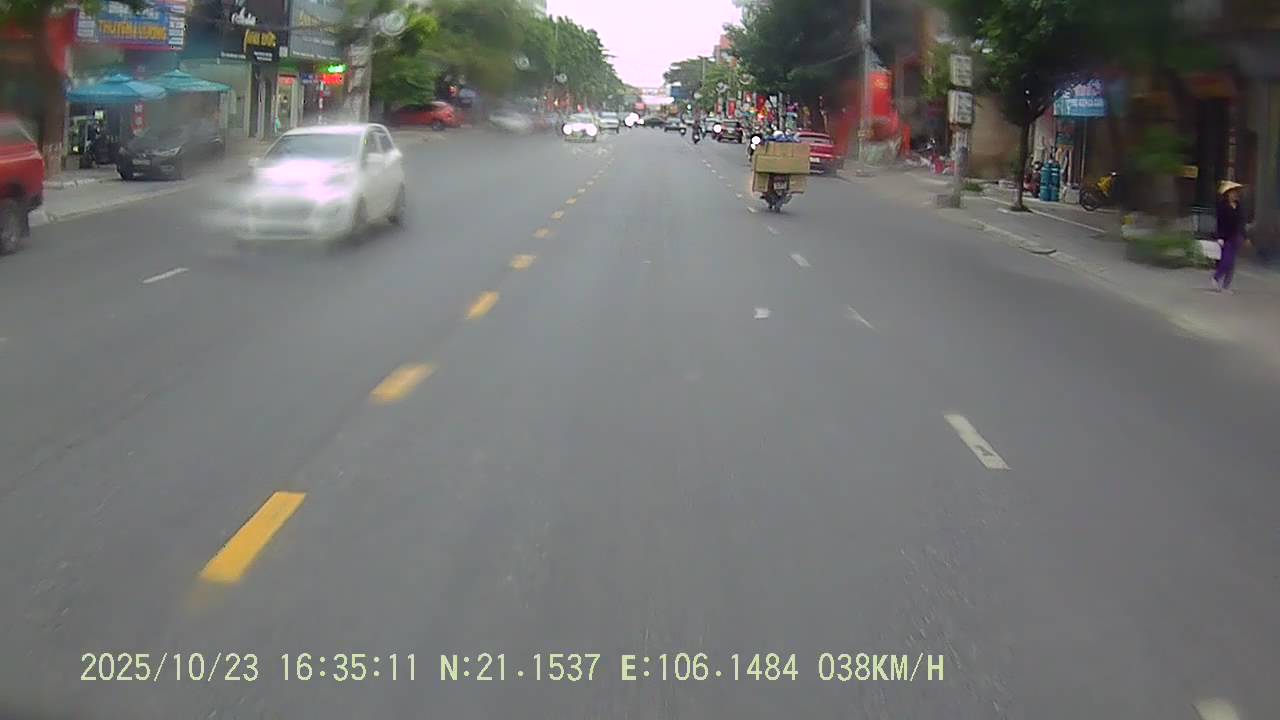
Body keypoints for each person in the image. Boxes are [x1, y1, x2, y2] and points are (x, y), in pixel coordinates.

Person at [1213, 180, 1246, 293]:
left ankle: (1226, 285)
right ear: (1228, 194)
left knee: (1232, 263)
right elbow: (1220, 222)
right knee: (1226, 259)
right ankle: (1216, 277)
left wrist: (1244, 235)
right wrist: (1220, 237)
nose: (1236, 194)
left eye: (1236, 192)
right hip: (1226, 236)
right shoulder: (1222, 206)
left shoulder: (1239, 206)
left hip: (1237, 235)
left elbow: (1241, 222)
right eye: (1233, 192)